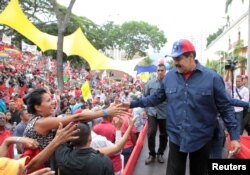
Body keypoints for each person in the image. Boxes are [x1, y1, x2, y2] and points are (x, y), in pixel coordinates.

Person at [120, 39, 240, 175]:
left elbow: (226, 108)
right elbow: (155, 98)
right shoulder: (169, 77)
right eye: (173, 58)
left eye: (179, 58)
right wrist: (131, 104)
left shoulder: (212, 78)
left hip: (201, 138)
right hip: (176, 137)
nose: (175, 62)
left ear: (191, 57)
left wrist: (234, 137)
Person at [23, 88, 124, 167]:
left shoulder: (41, 120)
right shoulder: (40, 122)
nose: (53, 102)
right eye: (49, 101)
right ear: (37, 107)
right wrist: (106, 112)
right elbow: (77, 117)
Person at [144, 63, 168, 164]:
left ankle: (160, 153)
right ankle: (152, 154)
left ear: (165, 71)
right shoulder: (149, 83)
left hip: (165, 113)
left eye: (162, 70)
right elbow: (145, 97)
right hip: (152, 112)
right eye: (158, 70)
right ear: (156, 71)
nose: (160, 72)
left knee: (164, 134)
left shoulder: (169, 83)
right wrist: (145, 111)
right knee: (151, 133)